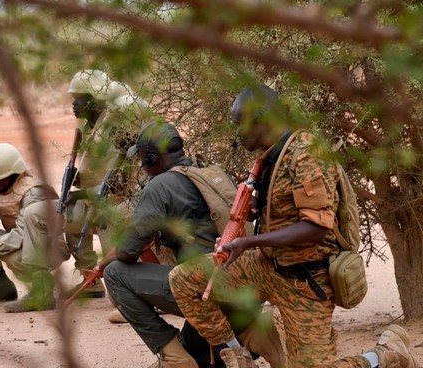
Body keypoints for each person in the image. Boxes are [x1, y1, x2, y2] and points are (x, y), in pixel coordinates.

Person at [169, 85, 419, 368]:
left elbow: (316, 227)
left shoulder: (308, 155)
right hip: (267, 266)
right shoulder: (272, 155)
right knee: (185, 279)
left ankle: (385, 355)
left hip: (305, 280)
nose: (238, 133)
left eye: (240, 124)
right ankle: (236, 352)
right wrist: (253, 212)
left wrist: (250, 242)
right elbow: (280, 210)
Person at [103, 121, 284, 368]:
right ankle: (253, 335)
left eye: (143, 160)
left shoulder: (160, 185)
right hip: (244, 287)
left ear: (151, 160)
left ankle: (173, 358)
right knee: (203, 358)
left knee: (114, 274)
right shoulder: (212, 174)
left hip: (202, 289)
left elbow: (127, 252)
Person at [63, 70, 152, 302]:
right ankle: (89, 278)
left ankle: (124, 289)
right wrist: (75, 180)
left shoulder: (115, 131)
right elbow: (94, 172)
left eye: (79, 98)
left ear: (94, 99)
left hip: (121, 202)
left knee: (105, 217)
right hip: (98, 197)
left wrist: (82, 192)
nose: (74, 104)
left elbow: (117, 185)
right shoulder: (89, 130)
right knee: (68, 213)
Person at [0, 143, 68, 313]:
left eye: (2, 179)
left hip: (46, 248)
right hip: (22, 243)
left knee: (13, 256)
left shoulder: (32, 193)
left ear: (15, 172)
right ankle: (3, 287)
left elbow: (21, 235)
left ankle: (42, 291)